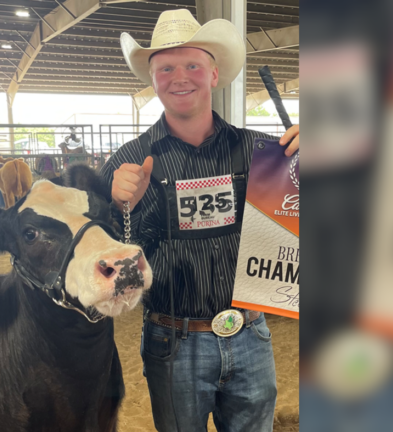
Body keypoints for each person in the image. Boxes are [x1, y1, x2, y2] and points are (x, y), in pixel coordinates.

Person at [99, 9, 299, 432]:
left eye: (192, 64)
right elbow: (107, 263)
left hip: (251, 335)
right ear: (152, 80)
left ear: (213, 74)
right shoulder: (125, 166)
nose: (179, 76)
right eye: (166, 67)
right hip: (173, 341)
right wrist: (118, 208)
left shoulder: (264, 153)